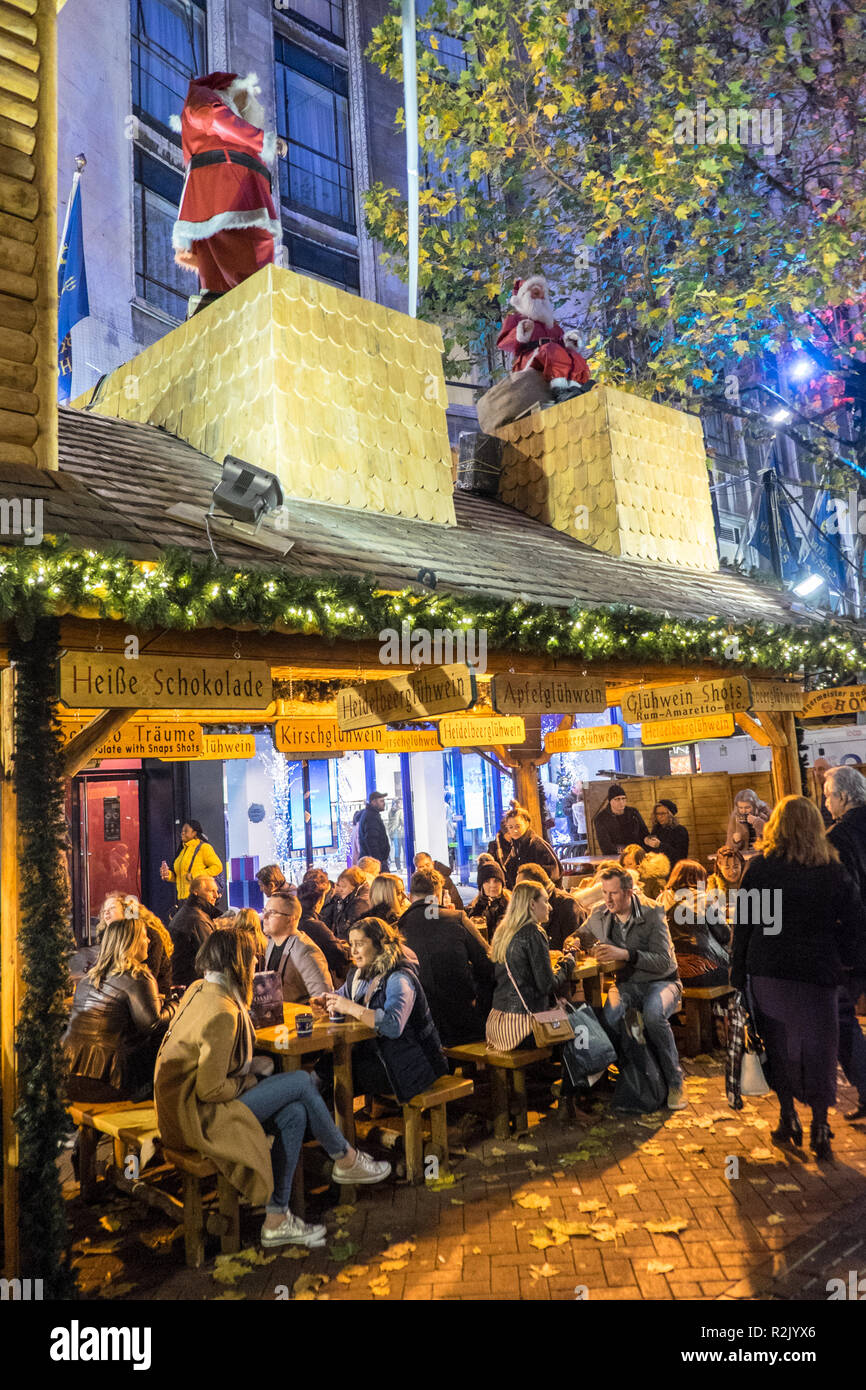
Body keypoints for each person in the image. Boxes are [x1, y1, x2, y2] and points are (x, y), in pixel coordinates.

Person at [154, 927, 389, 1251]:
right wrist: (250, 1078)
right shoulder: (222, 1012)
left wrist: (251, 1070)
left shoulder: (200, 989)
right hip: (196, 1118)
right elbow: (211, 1089)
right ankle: (345, 1158)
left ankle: (276, 1218)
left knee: (293, 1112)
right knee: (302, 1081)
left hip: (176, 1109)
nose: (256, 962)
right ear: (237, 962)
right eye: (251, 956)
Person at [731, 795, 860, 1161]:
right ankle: (820, 1123)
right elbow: (854, 922)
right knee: (821, 1048)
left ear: (776, 827)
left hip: (770, 970)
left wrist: (738, 974)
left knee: (778, 1045)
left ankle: (788, 1115)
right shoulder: (831, 870)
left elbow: (746, 925)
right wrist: (848, 964)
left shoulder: (762, 870)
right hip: (817, 972)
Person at [171, 71, 286, 315]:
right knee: (251, 251)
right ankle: (252, 306)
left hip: (232, 188)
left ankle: (223, 306)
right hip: (229, 189)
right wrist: (261, 139)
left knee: (225, 260)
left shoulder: (226, 115)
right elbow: (213, 117)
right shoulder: (206, 97)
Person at [312, 917, 449, 1104]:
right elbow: (343, 995)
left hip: (411, 1067)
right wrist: (325, 1000)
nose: (353, 951)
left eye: (359, 944)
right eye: (351, 944)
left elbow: (393, 1026)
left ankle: (332, 1130)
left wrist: (350, 1007)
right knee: (328, 1068)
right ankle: (328, 1129)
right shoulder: (359, 973)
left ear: (380, 944)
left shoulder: (398, 977)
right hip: (381, 1056)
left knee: (336, 1073)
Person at [582, 866, 685, 1110]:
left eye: (613, 893)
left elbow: (664, 961)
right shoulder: (601, 913)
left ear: (629, 892)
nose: (607, 899)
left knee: (652, 1016)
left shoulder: (652, 912)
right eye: (604, 892)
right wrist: (575, 941)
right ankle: (638, 1074)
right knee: (609, 1017)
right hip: (627, 984)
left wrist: (626, 954)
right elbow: (581, 932)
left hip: (663, 982)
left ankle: (675, 1081)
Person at [64, 916, 177, 1102]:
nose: (148, 941)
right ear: (131, 942)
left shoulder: (88, 980)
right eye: (144, 936)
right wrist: (175, 1005)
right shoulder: (137, 975)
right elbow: (153, 1024)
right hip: (113, 1081)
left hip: (72, 1076)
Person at [398, 870, 495, 1046]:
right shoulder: (455, 918)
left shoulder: (398, 928)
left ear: (410, 895)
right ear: (439, 894)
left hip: (420, 1021)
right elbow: (486, 960)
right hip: (462, 1015)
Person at [485, 878, 575, 1052]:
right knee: (583, 1024)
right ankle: (574, 1079)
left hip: (497, 1026)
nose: (550, 907)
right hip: (523, 1029)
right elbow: (547, 985)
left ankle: (547, 1072)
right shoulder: (533, 932)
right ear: (532, 904)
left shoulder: (503, 931)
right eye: (546, 901)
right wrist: (567, 963)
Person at [822, 766, 866, 1122]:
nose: (826, 802)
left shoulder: (838, 837)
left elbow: (838, 896)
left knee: (839, 1015)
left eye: (827, 795)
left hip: (854, 944)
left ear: (844, 797)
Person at [496, 274, 591, 402]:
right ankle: (560, 389)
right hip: (529, 359)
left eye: (543, 295)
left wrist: (569, 342)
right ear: (522, 298)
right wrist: (520, 332)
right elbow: (503, 343)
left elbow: (561, 345)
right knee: (550, 349)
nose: (541, 297)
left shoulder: (552, 325)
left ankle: (578, 384)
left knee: (573, 355)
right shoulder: (515, 319)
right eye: (536, 293)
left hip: (549, 356)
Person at [661, 859, 730, 989]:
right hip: (705, 968)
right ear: (701, 880)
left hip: (671, 970)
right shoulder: (704, 899)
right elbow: (724, 935)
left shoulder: (661, 899)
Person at [98, 892, 173, 999]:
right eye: (104, 910)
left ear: (127, 910)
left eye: (112, 908)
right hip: (122, 995)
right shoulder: (107, 936)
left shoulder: (148, 935)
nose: (106, 913)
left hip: (153, 997)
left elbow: (150, 974)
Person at [262, 894, 332, 1004]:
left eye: (272, 913)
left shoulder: (305, 950)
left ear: (290, 919)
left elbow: (323, 999)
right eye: (264, 911)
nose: (264, 917)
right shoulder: (271, 943)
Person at [515, 862, 588, 951]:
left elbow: (575, 946)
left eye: (522, 888)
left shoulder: (567, 906)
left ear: (535, 886)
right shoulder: (526, 908)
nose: (517, 893)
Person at [489, 803, 561, 889]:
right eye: (510, 827)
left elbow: (554, 872)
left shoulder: (536, 844)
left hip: (541, 895)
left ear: (527, 823)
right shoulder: (516, 846)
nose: (514, 831)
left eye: (518, 826)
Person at [168, 874, 222, 989]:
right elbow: (211, 956)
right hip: (193, 984)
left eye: (216, 891)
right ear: (196, 892)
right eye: (211, 891)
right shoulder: (198, 920)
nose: (216, 895)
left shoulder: (188, 913)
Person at [296, 879, 350, 983]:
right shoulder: (315, 925)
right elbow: (338, 954)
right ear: (319, 902)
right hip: (319, 978)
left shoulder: (295, 921)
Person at [160, 820, 223, 903]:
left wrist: (195, 876)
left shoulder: (204, 848)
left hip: (199, 899)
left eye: (186, 831)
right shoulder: (182, 852)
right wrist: (169, 875)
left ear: (194, 833)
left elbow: (217, 867)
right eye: (182, 831)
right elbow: (181, 877)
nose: (182, 833)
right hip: (183, 900)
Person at [593, 784, 650, 857]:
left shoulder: (633, 813)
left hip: (637, 855)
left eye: (623, 798)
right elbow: (605, 845)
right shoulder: (601, 818)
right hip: (614, 857)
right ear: (610, 801)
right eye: (617, 799)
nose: (621, 802)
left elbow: (644, 832)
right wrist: (627, 850)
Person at [466, 861, 511, 937]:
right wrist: (478, 910)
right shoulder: (472, 908)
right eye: (487, 881)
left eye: (496, 881)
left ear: (502, 884)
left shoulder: (512, 905)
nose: (492, 885)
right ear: (481, 886)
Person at [328, 866, 372, 940]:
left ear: (355, 887)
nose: (340, 890)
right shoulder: (343, 899)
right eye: (339, 886)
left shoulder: (360, 903)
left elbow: (349, 928)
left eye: (344, 887)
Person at [645, 800, 689, 869]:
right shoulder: (657, 829)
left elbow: (680, 855)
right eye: (657, 814)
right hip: (659, 868)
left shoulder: (680, 830)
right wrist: (647, 841)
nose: (659, 817)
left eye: (663, 813)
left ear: (670, 814)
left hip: (675, 868)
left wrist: (660, 845)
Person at [726, 789, 770, 855]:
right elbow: (729, 846)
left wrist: (757, 822)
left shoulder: (767, 813)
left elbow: (774, 836)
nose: (743, 811)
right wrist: (735, 841)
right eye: (740, 808)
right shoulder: (735, 817)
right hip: (744, 857)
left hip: (763, 855)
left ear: (755, 806)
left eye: (747, 807)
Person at [358, 791, 391, 871]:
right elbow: (371, 841)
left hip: (373, 861)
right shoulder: (371, 817)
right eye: (381, 801)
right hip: (374, 863)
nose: (384, 803)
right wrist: (378, 862)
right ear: (373, 802)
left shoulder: (370, 815)